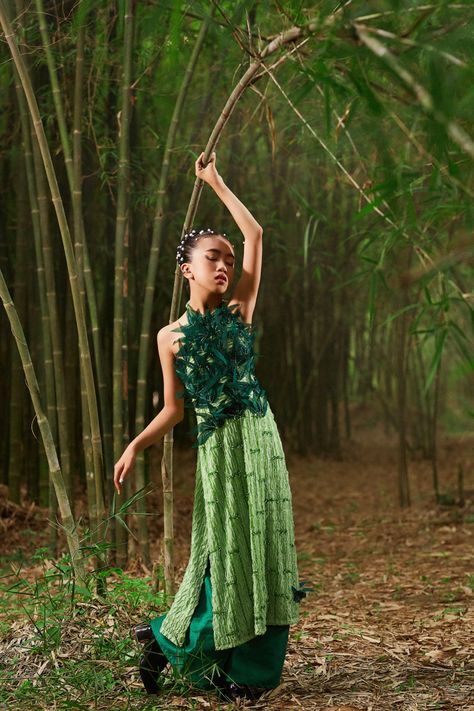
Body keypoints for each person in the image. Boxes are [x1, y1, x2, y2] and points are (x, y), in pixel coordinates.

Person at [113, 150, 309, 702]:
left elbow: (256, 233)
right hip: (218, 450)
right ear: (187, 269)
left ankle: (249, 675)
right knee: (223, 552)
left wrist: (215, 180)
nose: (224, 266)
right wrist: (135, 444)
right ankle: (166, 641)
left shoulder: (239, 310)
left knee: (268, 549)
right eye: (212, 258)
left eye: (227, 259)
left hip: (260, 440)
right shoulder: (168, 337)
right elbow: (174, 409)